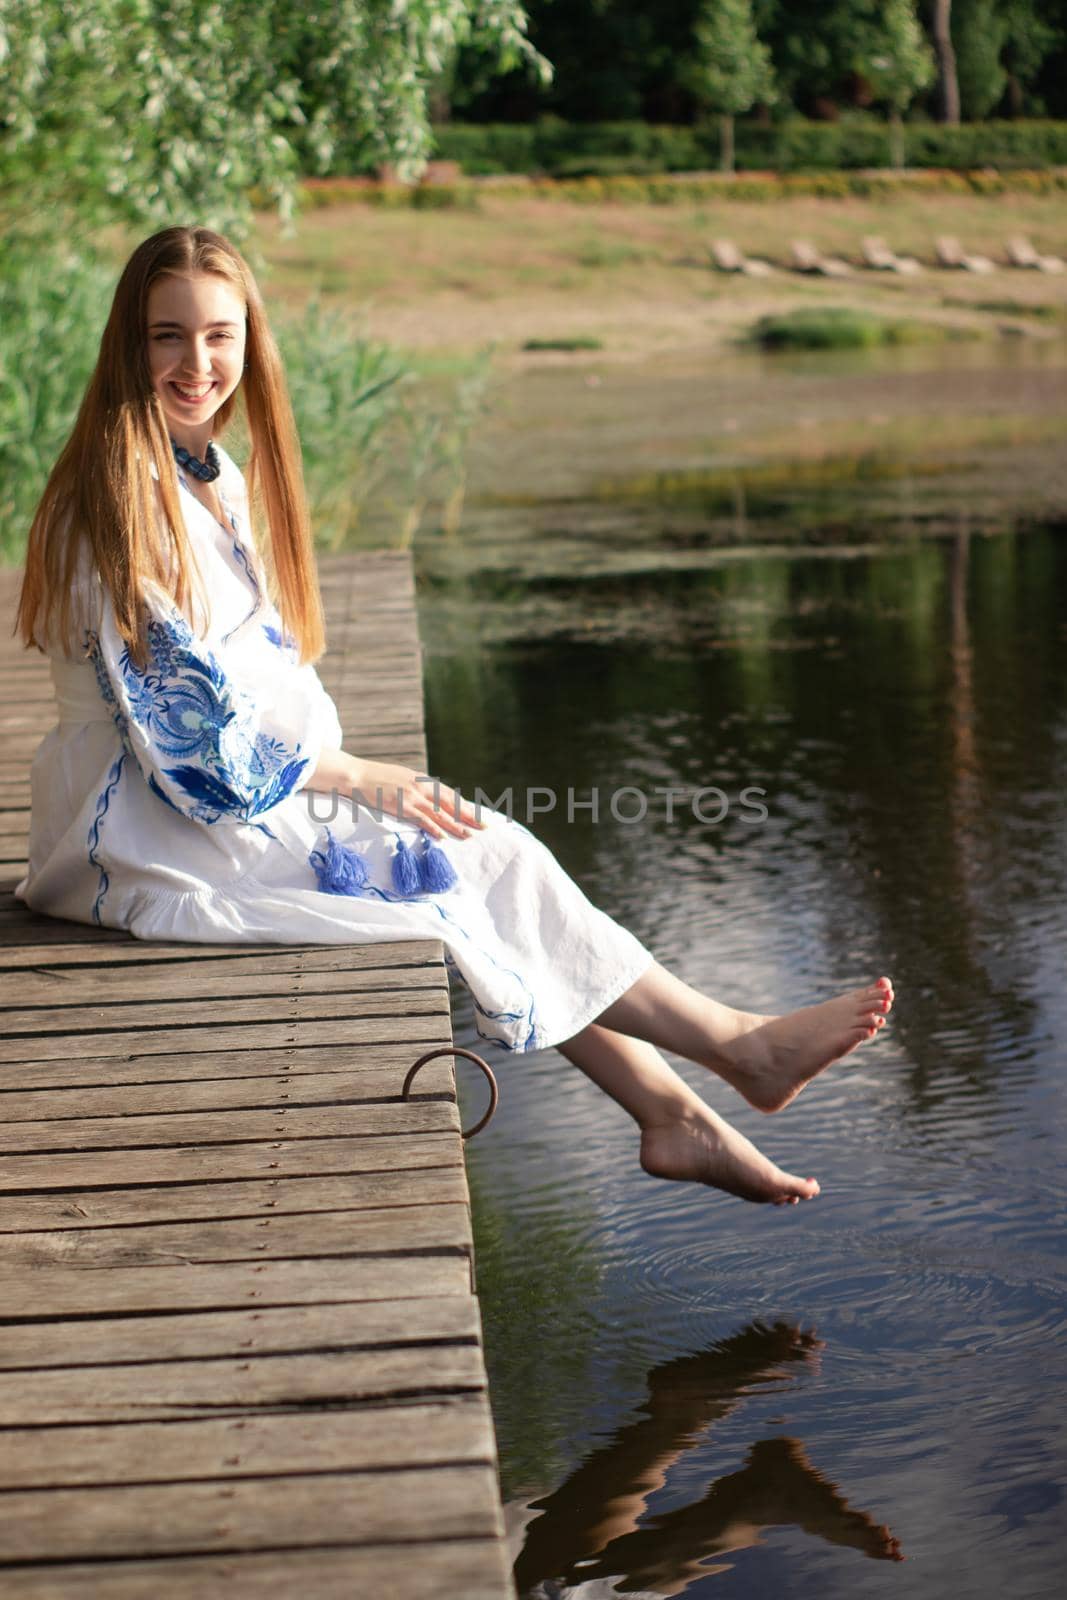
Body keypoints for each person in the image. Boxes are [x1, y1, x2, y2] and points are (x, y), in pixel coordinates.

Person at [14, 226, 894, 1207]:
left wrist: (352, 779)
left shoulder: (209, 474)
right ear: (126, 345)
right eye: (165, 335)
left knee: (476, 851)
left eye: (219, 336)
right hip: (141, 827)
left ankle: (680, 1108)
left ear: (250, 345)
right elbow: (184, 736)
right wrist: (356, 777)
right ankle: (727, 1055)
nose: (196, 363)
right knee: (460, 867)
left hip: (226, 793)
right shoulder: (117, 498)